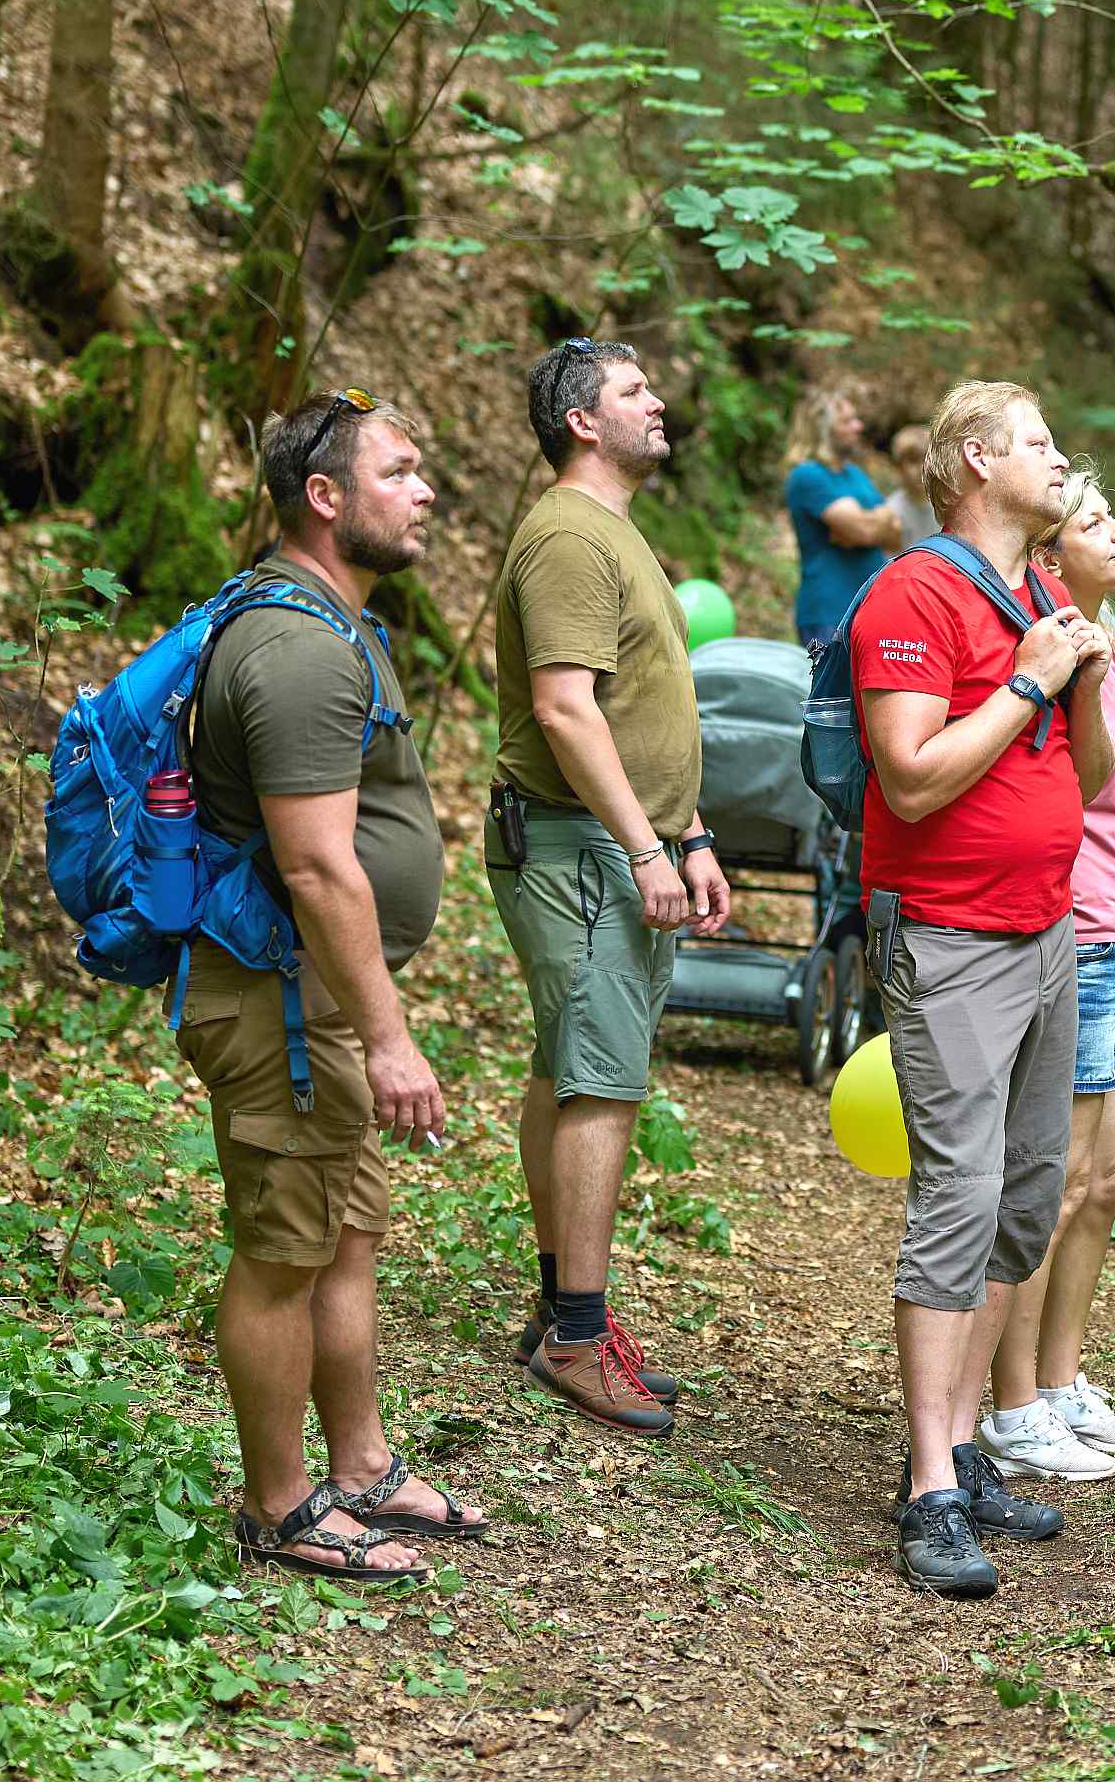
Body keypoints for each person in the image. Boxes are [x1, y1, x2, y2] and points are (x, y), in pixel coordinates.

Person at [189, 389, 484, 1583]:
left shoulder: (334, 619)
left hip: (317, 1003)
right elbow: (316, 865)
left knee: (344, 1233)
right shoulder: (299, 649)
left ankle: (358, 1464)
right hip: (280, 1002)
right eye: (399, 471)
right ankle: (276, 1504)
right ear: (324, 496)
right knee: (283, 1250)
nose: (425, 491)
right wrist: (391, 1035)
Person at [856, 378, 1115, 1599]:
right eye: (1038, 442)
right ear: (973, 458)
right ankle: (927, 1488)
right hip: (950, 939)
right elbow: (909, 777)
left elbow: (1091, 773)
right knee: (958, 1197)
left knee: (1025, 1194)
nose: (1060, 460)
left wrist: (1078, 669)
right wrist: (1025, 679)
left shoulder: (1041, 595)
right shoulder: (913, 592)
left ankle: (964, 1446)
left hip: (1046, 930)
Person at [490, 338, 733, 1437]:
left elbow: (636, 707)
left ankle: (560, 1311)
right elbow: (564, 708)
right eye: (635, 390)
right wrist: (642, 849)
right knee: (601, 1081)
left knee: (571, 1067)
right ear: (582, 420)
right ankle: (578, 1339)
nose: (659, 400)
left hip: (615, 839)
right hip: (576, 844)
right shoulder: (568, 537)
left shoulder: (613, 530)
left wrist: (691, 833)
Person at [984, 475, 1115, 1483]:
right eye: (1096, 521)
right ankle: (1011, 1408)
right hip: (1080, 936)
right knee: (1052, 1188)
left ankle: (1059, 1383)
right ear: (1048, 555)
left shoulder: (1105, 639)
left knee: (1108, 1180)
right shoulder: (1045, 649)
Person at [783, 387, 899, 649]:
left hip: (871, 609)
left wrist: (868, 525)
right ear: (822, 428)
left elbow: (895, 531)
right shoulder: (807, 475)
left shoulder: (854, 474)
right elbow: (863, 530)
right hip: (828, 614)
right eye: (847, 421)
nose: (858, 426)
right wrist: (873, 523)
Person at [879, 421, 940, 548]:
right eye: (913, 461)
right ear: (899, 467)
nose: (921, 468)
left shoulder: (946, 506)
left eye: (926, 459)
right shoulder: (892, 510)